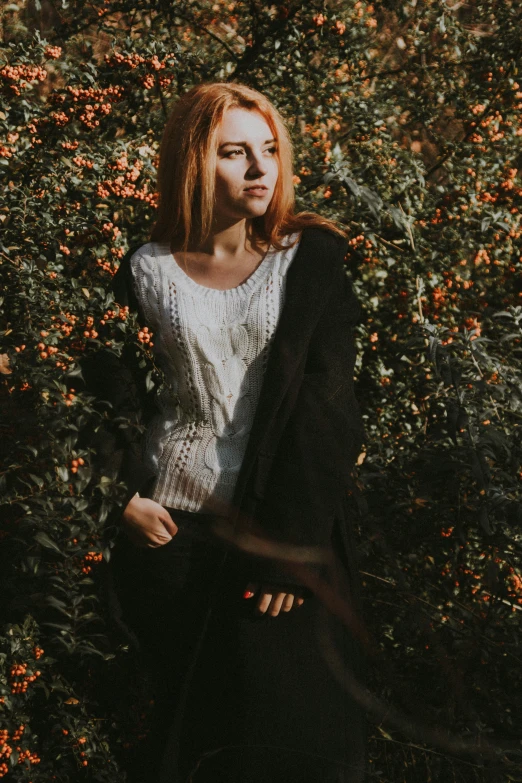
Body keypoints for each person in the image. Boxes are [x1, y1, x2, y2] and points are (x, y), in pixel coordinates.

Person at [81, 82, 366, 783]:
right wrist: (119, 497)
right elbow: (102, 400)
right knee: (182, 749)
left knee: (287, 747)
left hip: (275, 542)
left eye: (268, 150)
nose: (260, 168)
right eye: (234, 152)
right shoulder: (143, 270)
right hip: (170, 536)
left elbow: (328, 415)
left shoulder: (311, 262)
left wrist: (287, 551)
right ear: (192, 163)